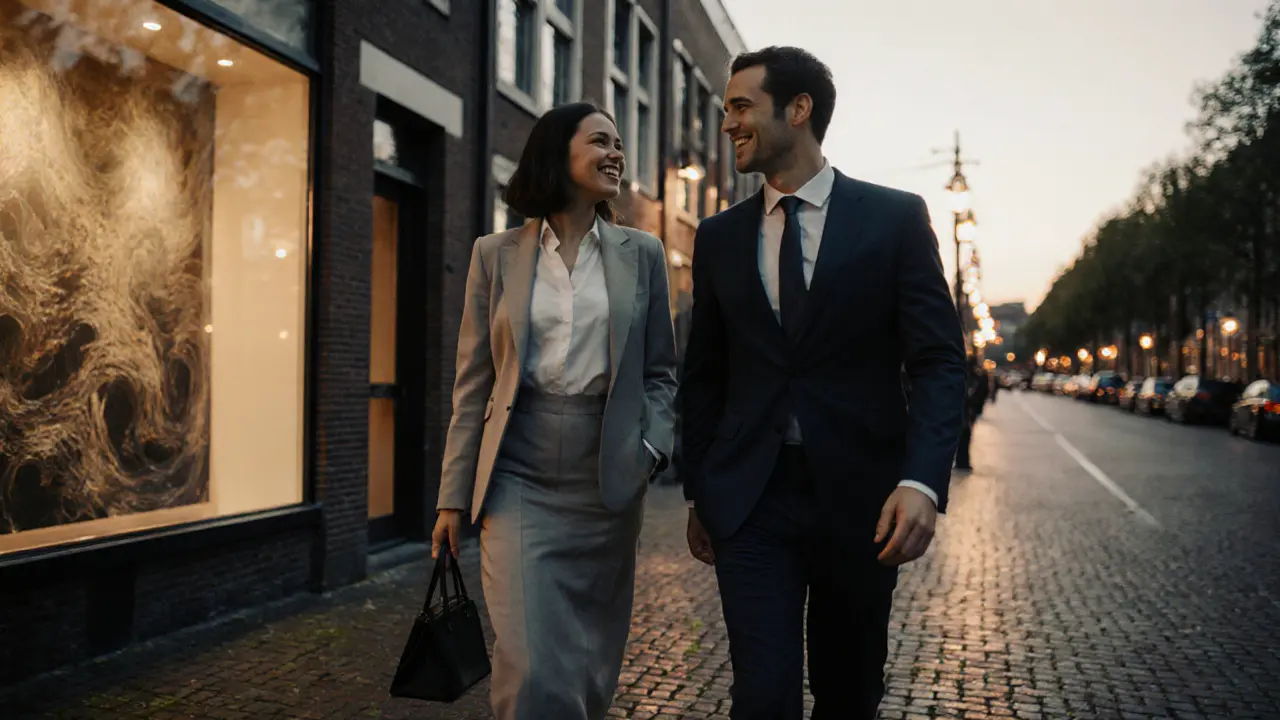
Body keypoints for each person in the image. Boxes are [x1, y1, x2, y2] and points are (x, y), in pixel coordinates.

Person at [679, 47, 967, 720]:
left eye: (742, 106)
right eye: (727, 109)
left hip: (863, 503)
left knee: (848, 692)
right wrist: (701, 488)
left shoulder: (894, 218)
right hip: (751, 501)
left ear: (798, 109)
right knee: (763, 694)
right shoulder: (719, 237)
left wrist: (922, 481)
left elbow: (938, 361)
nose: (729, 124)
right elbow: (706, 372)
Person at [432, 103, 679, 720]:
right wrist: (452, 496)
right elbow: (473, 384)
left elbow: (661, 373)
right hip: (519, 479)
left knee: (592, 665)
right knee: (530, 664)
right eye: (600, 141)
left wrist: (649, 450)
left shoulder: (643, 253)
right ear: (556, 152)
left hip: (608, 481)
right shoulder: (495, 254)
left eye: (619, 144)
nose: (616, 153)